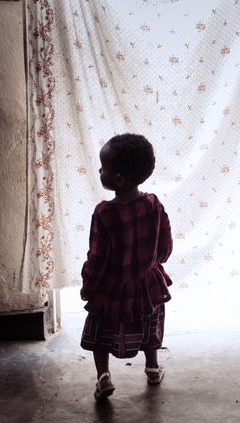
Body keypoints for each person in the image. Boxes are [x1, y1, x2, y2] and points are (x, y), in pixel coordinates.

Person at [80, 133, 173, 401]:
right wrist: (153, 265)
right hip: (147, 284)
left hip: (112, 289)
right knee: (150, 325)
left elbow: (97, 258)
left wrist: (89, 285)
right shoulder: (154, 204)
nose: (99, 170)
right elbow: (165, 247)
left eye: (103, 166)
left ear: (118, 179)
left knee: (102, 331)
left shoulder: (104, 213)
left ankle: (103, 377)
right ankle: (152, 368)